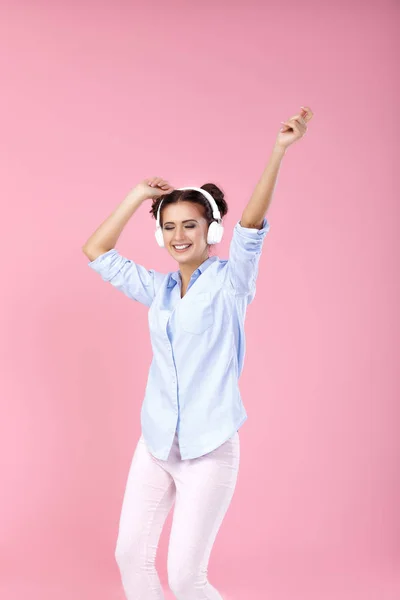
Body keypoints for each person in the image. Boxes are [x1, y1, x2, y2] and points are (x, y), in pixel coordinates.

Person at [82, 107, 312, 600]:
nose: (178, 236)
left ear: (211, 230)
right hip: (156, 443)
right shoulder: (159, 288)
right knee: (130, 557)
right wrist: (138, 196)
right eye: (169, 227)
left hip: (209, 449)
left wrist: (278, 151)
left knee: (187, 578)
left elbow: (251, 224)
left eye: (190, 225)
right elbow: (96, 251)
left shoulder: (232, 282)